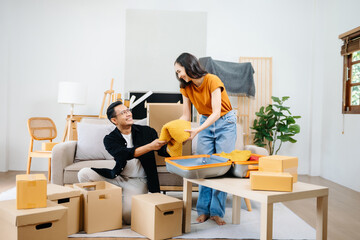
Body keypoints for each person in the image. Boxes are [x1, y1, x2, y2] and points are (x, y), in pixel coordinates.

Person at [77, 101, 169, 224]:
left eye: (128, 110)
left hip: (138, 181)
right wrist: (150, 147)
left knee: (128, 217)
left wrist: (173, 145)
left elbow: (162, 150)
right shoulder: (110, 139)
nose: (128, 114)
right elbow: (124, 154)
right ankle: (103, 206)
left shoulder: (147, 131)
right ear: (114, 120)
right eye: (123, 113)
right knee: (84, 173)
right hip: (117, 178)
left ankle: (122, 201)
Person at [174, 53, 237, 225]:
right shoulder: (185, 87)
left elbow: (216, 112)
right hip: (205, 121)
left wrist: (197, 130)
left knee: (220, 167)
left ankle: (217, 212)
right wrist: (173, 130)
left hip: (225, 121)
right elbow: (186, 115)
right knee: (203, 167)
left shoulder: (212, 80)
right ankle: (203, 210)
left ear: (189, 66)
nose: (179, 75)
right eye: (177, 73)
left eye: (180, 71)